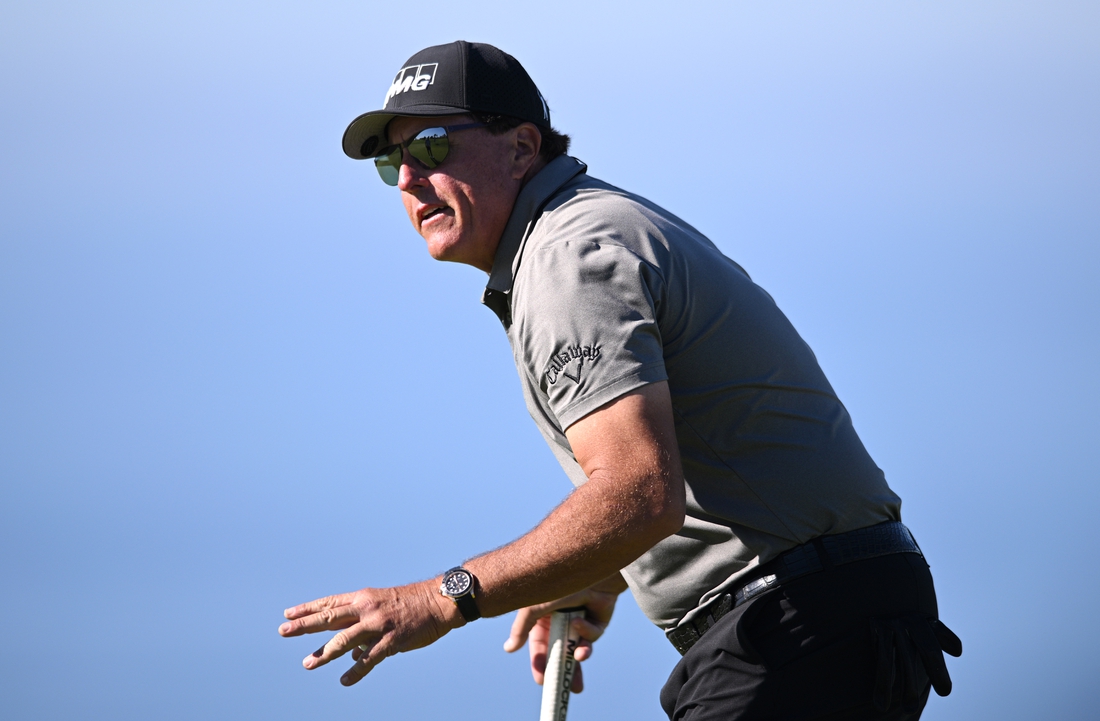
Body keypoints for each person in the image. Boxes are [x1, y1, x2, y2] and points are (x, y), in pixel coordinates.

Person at [278, 41, 962, 720]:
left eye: (429, 147)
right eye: (391, 161)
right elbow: (691, 469)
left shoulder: (565, 255)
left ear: (521, 146)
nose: (407, 179)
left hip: (795, 623)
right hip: (839, 614)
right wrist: (598, 572)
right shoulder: (582, 231)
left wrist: (442, 596)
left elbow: (641, 491)